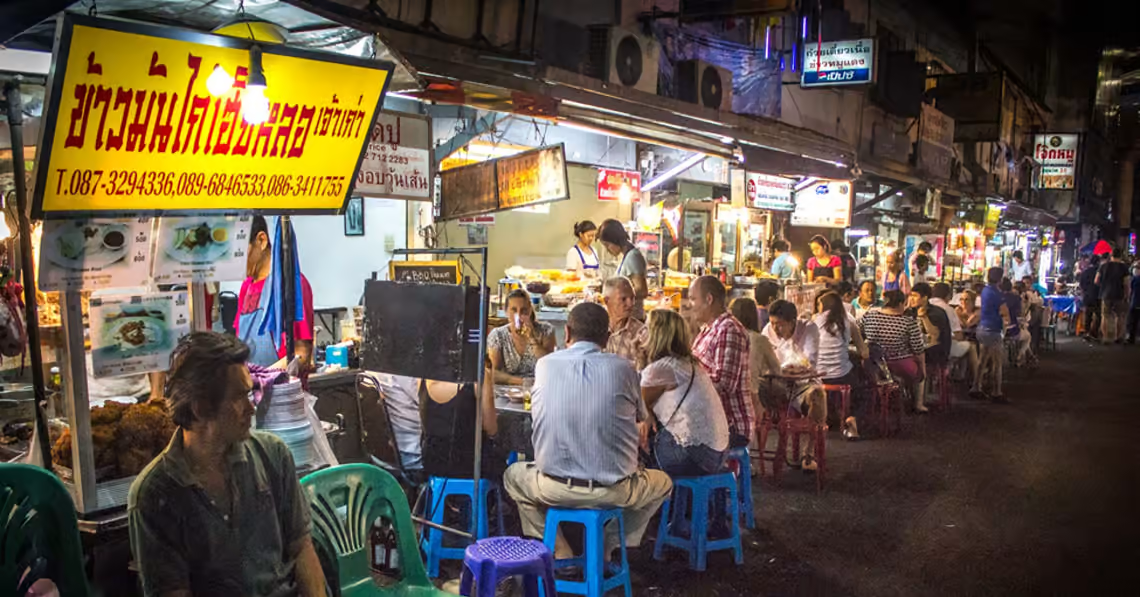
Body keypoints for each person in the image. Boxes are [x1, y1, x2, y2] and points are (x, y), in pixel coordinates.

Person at [129, 332, 326, 597]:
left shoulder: (273, 455)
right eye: (239, 397)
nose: (251, 408)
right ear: (199, 408)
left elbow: (301, 547)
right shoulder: (154, 495)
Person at [503, 303, 672, 562]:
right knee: (663, 483)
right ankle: (607, 545)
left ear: (567, 333)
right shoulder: (624, 368)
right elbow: (641, 416)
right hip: (614, 489)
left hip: (553, 486)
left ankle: (560, 548)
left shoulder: (545, 365)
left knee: (513, 475)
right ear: (606, 338)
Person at [640, 309, 730, 476]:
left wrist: (646, 415)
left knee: (634, 446)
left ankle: (652, 497)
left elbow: (635, 402)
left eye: (646, 328)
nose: (641, 333)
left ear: (657, 334)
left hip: (694, 456)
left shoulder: (664, 368)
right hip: (718, 453)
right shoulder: (689, 364)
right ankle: (679, 501)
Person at [235, 215, 315, 367]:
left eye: (239, 251)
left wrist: (264, 378)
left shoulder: (291, 284)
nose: (235, 261)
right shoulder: (246, 287)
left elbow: (302, 354)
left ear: (261, 240)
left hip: (282, 388)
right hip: (252, 388)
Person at [689, 276, 755, 448]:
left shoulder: (728, 329)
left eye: (693, 299)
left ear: (708, 299)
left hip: (730, 426)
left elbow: (724, 384)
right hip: (710, 422)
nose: (690, 305)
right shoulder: (708, 329)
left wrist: (685, 382)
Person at [761, 300, 826, 469]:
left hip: (804, 384)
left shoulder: (809, 329)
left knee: (818, 395)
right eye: (773, 323)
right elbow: (763, 363)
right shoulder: (767, 331)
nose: (775, 329)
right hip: (778, 384)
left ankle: (808, 453)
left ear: (793, 322)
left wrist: (790, 368)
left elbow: (809, 361)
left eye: (780, 325)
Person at [421, 360, 502, 481]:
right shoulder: (480, 376)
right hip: (471, 465)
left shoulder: (423, 376)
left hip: (432, 462)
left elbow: (425, 421)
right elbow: (491, 429)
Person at [859, 290, 928, 413]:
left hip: (874, 364)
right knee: (918, 373)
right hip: (900, 364)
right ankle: (918, 404)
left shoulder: (869, 316)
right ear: (902, 303)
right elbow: (918, 349)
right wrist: (923, 368)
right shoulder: (908, 322)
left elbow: (859, 333)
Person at [812, 292, 868, 439]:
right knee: (863, 388)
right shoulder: (849, 322)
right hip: (841, 375)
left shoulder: (815, 322)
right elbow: (864, 353)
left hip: (818, 375)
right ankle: (853, 418)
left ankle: (828, 416)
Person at [729, 297, 782, 424]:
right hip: (752, 393)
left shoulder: (725, 335)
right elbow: (777, 370)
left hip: (728, 393)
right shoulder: (760, 340)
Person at [489, 289, 556, 385]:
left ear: (530, 310)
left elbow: (549, 365)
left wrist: (532, 338)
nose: (519, 315)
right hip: (508, 390)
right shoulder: (498, 335)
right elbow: (493, 373)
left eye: (524, 310)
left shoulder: (546, 330)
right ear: (506, 311)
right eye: (514, 310)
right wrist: (522, 382)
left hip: (539, 387)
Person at [931, 283, 985, 397]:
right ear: (948, 296)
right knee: (971, 347)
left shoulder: (925, 307)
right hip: (944, 348)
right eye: (962, 299)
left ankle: (961, 374)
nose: (963, 302)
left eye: (967, 300)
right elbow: (959, 335)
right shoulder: (949, 310)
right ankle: (977, 383)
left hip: (924, 348)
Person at [599, 219, 649, 320]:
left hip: (633, 317)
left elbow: (641, 289)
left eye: (607, 245)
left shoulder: (633, 257)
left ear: (615, 240)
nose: (608, 250)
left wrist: (616, 295)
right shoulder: (627, 256)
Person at [978, 267, 1012, 402]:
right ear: (1000, 279)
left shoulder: (985, 291)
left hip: (982, 327)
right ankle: (996, 391)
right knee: (997, 363)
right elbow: (1004, 312)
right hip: (993, 329)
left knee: (983, 359)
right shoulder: (998, 294)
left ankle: (976, 386)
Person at [908, 283, 952, 383]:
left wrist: (924, 318)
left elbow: (934, 336)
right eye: (910, 295)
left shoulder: (937, 312)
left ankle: (920, 391)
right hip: (917, 348)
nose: (911, 299)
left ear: (925, 298)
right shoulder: (910, 312)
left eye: (915, 296)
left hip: (936, 351)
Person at [603, 277, 649, 369]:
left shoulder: (641, 333)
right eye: (623, 299)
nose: (631, 304)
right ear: (607, 301)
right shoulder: (595, 328)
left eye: (632, 298)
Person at [1096, 248, 1130, 344]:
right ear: (1121, 255)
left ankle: (1106, 337)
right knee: (1119, 316)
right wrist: (1127, 295)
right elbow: (1126, 283)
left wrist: (1103, 285)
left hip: (1105, 294)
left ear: (1111, 255)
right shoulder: (1124, 267)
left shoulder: (1103, 266)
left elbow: (1096, 280)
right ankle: (1118, 337)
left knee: (1105, 316)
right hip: (1119, 294)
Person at [1003, 279, 1032, 366]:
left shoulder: (994, 298)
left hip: (996, 330)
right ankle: (1020, 356)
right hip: (1011, 331)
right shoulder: (1016, 298)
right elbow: (1020, 314)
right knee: (1028, 336)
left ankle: (1028, 357)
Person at [1079, 254, 1101, 339]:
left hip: (1087, 295)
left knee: (1088, 314)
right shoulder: (1099, 271)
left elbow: (1081, 284)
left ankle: (1087, 332)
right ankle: (1094, 332)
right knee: (1098, 315)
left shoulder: (1085, 272)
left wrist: (1083, 292)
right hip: (1097, 295)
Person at [1127, 263, 1140, 344]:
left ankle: (1131, 338)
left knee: (1133, 321)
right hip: (1135, 302)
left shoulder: (1135, 279)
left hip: (1135, 302)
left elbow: (1130, 290)